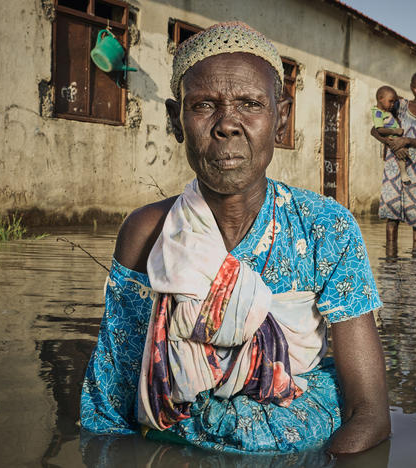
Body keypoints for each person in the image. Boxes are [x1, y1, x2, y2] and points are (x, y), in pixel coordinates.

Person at [79, 22, 390, 455]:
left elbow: (369, 415)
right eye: (205, 105)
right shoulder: (147, 232)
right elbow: (110, 408)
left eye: (250, 104)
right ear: (176, 120)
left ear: (280, 120)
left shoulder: (326, 227)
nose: (228, 124)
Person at [372, 71, 416, 252]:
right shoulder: (400, 106)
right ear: (411, 87)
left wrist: (409, 141)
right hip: (395, 164)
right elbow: (376, 129)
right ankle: (390, 263)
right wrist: (394, 145)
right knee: (392, 217)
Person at [372, 85, 411, 184]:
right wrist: (392, 134)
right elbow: (376, 130)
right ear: (381, 99)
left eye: (395, 102)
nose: (393, 104)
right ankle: (404, 173)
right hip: (393, 141)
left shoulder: (387, 111)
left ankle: (404, 172)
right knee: (401, 155)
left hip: (398, 140)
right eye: (391, 101)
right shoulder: (379, 113)